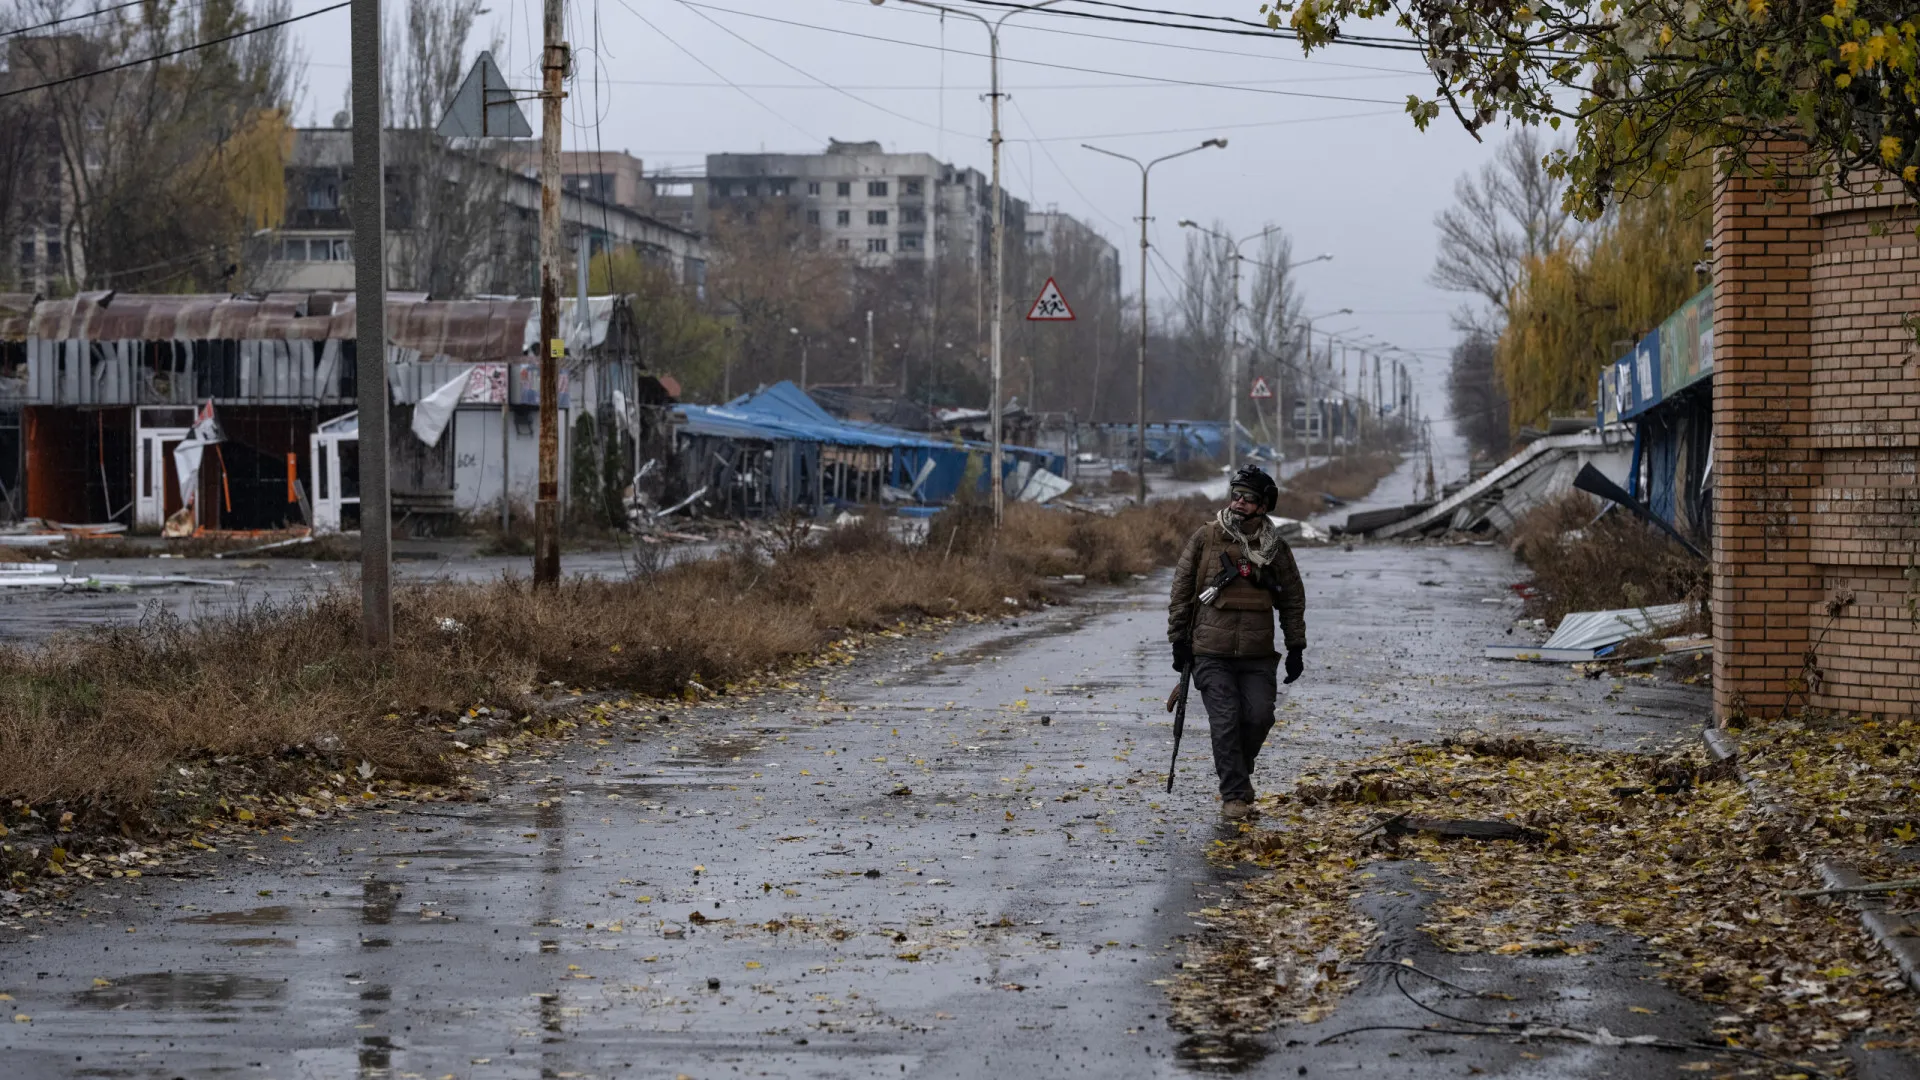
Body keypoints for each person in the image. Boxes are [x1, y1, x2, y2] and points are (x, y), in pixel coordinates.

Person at [1167, 465, 1307, 820]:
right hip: (1210, 653)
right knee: (1226, 721)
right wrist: (1178, 641)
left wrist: (1296, 647)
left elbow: (1292, 597)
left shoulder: (1275, 548)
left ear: (1263, 506)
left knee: (1259, 717)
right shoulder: (1206, 537)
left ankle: (1238, 771)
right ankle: (1235, 795)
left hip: (1258, 655)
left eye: (1249, 498)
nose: (1239, 503)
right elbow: (1182, 590)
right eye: (1236, 495)